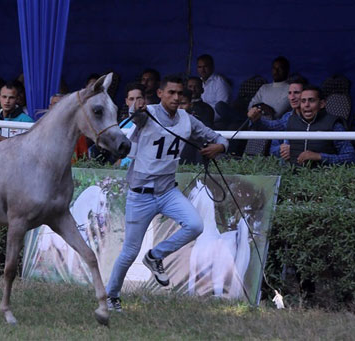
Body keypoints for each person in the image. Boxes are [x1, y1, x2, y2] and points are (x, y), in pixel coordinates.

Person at [106, 75, 228, 311]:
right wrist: (135, 107)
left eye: (179, 93)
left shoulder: (187, 120)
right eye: (170, 92)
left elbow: (217, 138)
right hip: (140, 194)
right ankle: (112, 295)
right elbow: (136, 115)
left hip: (168, 191)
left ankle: (155, 256)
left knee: (195, 225)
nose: (176, 97)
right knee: (129, 252)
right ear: (160, 93)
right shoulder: (147, 113)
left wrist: (220, 147)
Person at [249, 84, 355, 166]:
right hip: (295, 180)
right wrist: (256, 119)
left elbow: (351, 158)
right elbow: (269, 128)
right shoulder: (290, 120)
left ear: (322, 104)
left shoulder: (334, 124)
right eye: (303, 101)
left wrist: (319, 156)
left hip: (324, 182)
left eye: (311, 100)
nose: (306, 105)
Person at [248, 76, 307, 157]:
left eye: (296, 93)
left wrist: (294, 149)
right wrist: (256, 119)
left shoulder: (318, 118)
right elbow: (270, 128)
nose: (292, 97)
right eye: (289, 93)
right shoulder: (288, 116)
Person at [195, 54, 230, 119]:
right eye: (199, 67)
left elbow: (222, 110)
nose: (202, 70)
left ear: (212, 67)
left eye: (205, 66)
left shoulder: (220, 82)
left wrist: (205, 118)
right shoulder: (198, 82)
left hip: (216, 120)